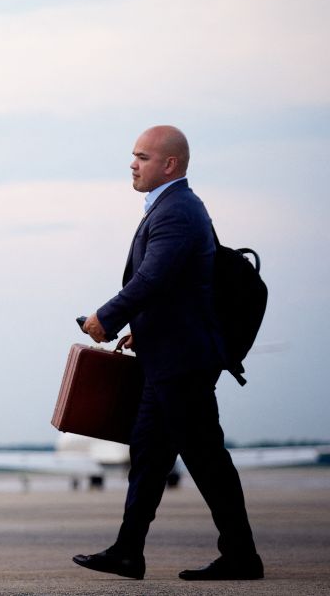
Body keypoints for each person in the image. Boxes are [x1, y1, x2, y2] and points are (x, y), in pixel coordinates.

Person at [74, 126, 263, 581]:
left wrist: (105, 319)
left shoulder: (177, 210)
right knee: (150, 456)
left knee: (206, 459)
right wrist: (143, 331)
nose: (133, 164)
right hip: (169, 358)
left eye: (142, 157)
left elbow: (153, 278)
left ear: (170, 164)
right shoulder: (172, 207)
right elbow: (177, 287)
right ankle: (128, 552)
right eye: (134, 156)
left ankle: (241, 556)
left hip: (183, 363)